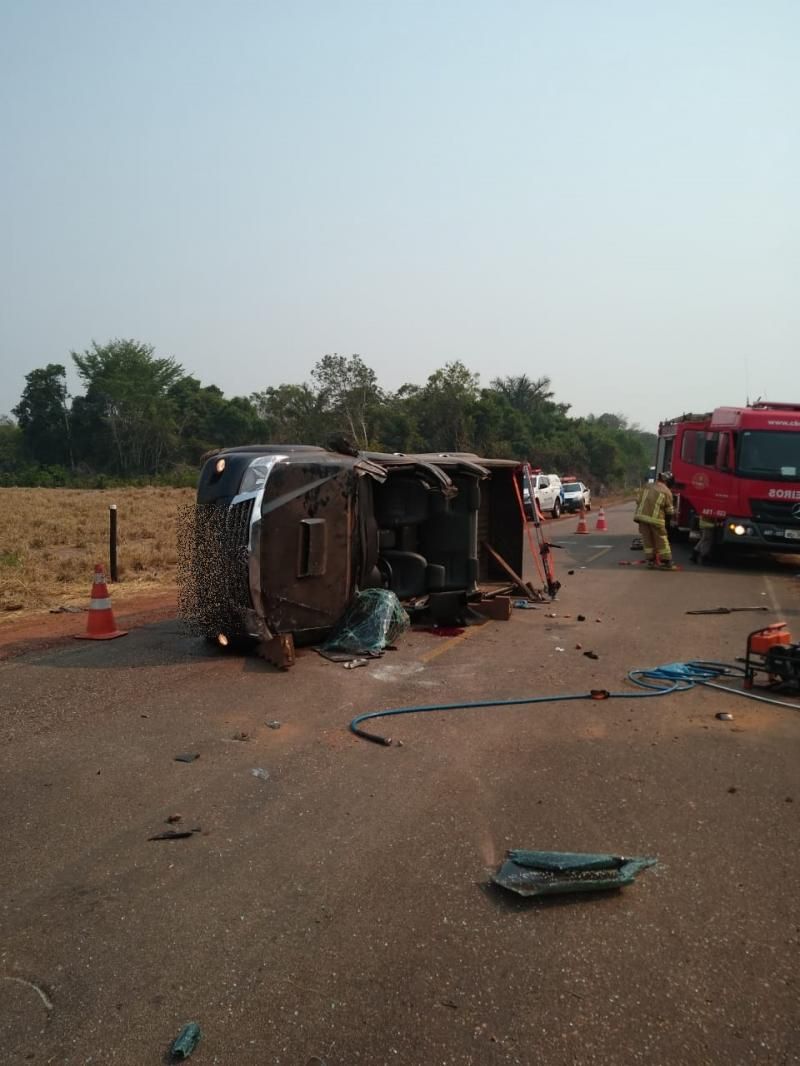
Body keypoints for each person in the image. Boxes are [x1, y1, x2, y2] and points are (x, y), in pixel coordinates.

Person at [634, 471, 677, 570]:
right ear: (668, 481)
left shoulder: (646, 486)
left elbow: (637, 500)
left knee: (647, 540)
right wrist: (668, 523)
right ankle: (667, 562)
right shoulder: (667, 491)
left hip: (642, 517)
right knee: (662, 539)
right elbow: (669, 511)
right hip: (656, 519)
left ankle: (650, 561)